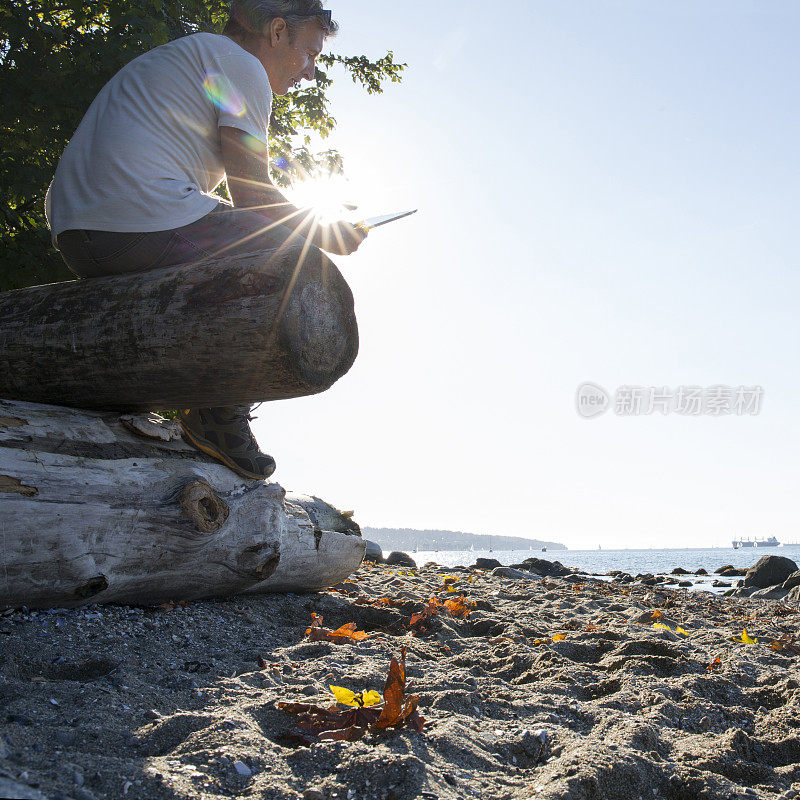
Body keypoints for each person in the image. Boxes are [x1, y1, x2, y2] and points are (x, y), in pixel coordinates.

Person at [44, 0, 365, 481]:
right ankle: (219, 415)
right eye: (310, 54)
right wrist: (324, 230)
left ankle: (174, 390)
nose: (311, 72)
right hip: (138, 219)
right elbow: (252, 192)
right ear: (277, 32)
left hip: (76, 232)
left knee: (253, 245)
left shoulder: (194, 56)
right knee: (288, 256)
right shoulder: (242, 66)